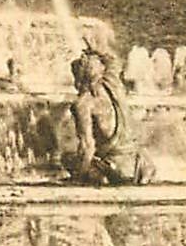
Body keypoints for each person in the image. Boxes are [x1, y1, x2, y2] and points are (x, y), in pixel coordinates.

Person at [66, 39, 155, 186]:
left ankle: (101, 177)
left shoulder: (83, 104)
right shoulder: (114, 85)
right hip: (140, 164)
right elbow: (113, 61)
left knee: (67, 158)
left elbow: (87, 147)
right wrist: (96, 50)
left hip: (116, 169)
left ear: (78, 77)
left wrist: (78, 177)